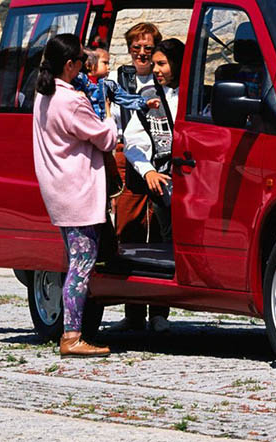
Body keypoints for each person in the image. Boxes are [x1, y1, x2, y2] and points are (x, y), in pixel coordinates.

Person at [32, 33, 116, 357]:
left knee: (75, 260)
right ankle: (72, 335)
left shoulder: (44, 95)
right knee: (81, 264)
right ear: (70, 65)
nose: (86, 65)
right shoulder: (71, 100)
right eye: (82, 61)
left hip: (59, 189)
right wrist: (110, 115)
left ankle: (73, 331)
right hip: (77, 190)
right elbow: (103, 137)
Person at [122, 39, 184, 333]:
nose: (156, 69)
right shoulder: (146, 95)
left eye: (162, 64)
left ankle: (160, 313)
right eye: (154, 64)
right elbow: (133, 139)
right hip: (154, 179)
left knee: (165, 244)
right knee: (136, 241)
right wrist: (147, 171)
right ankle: (133, 312)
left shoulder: (190, 96)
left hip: (181, 183)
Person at [113, 24, 171, 332]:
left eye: (148, 48)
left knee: (162, 237)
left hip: (163, 165)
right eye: (136, 48)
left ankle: (159, 312)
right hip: (132, 163)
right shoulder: (120, 79)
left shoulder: (164, 80)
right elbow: (120, 123)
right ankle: (134, 312)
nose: (142, 54)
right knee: (130, 232)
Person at [72, 40, 156, 120]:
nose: (108, 67)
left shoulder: (108, 85)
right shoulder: (79, 80)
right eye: (105, 63)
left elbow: (125, 98)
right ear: (88, 65)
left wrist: (144, 102)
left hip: (100, 126)